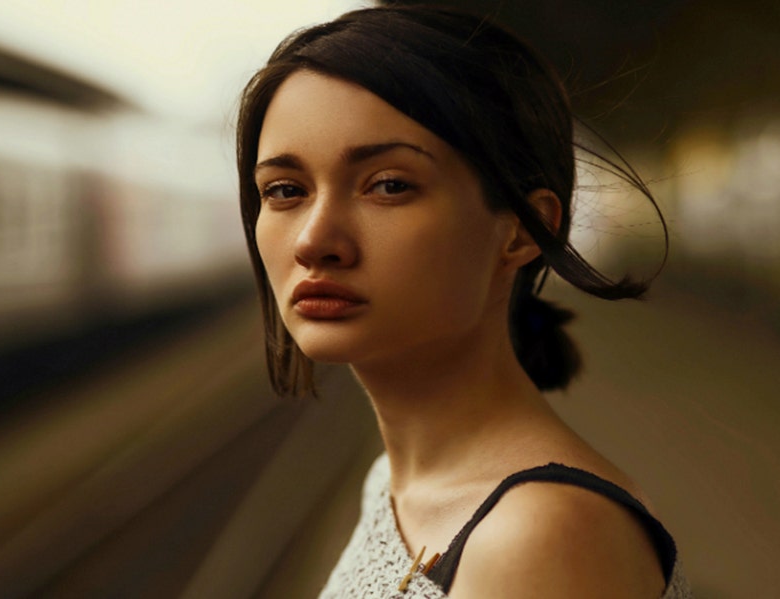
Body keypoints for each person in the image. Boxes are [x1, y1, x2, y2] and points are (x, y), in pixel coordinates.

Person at [235, 5, 690, 598]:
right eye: (285, 191)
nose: (314, 241)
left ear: (523, 230)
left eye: (390, 185)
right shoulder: (395, 483)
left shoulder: (541, 535)